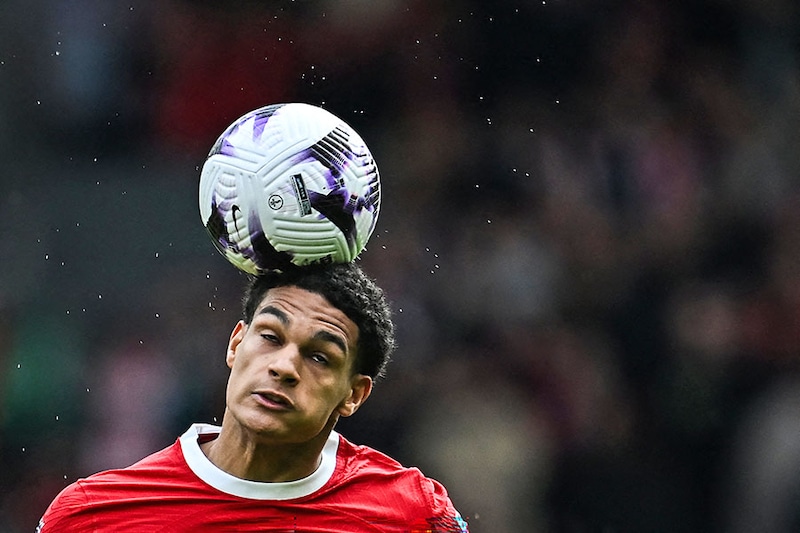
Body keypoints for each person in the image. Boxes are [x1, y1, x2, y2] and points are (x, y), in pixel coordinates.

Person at [38, 262, 469, 532]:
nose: (284, 366)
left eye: (319, 356)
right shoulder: (93, 516)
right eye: (270, 337)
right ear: (235, 344)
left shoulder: (415, 514)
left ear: (353, 394)